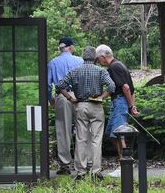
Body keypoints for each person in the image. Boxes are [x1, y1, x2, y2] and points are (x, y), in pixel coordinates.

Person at [57, 46, 115, 180]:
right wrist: (102, 96)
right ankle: (95, 171)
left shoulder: (75, 71)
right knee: (96, 140)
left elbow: (60, 85)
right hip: (96, 106)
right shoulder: (100, 71)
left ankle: (80, 172)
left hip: (81, 105)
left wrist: (70, 98)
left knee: (81, 139)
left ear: (83, 57)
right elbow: (111, 86)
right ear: (95, 57)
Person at [95, 44, 139, 177]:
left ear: (103, 57)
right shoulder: (120, 65)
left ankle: (125, 166)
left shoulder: (113, 67)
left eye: (98, 60)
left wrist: (131, 107)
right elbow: (129, 89)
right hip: (120, 101)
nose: (98, 62)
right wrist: (101, 97)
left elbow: (125, 87)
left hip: (120, 102)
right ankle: (123, 161)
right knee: (111, 134)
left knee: (119, 134)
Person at [47, 36, 83, 175]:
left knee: (63, 130)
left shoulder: (53, 62)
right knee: (82, 129)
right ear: (70, 47)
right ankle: (83, 163)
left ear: (60, 48)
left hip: (62, 96)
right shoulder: (79, 60)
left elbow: (48, 84)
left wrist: (51, 99)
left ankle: (65, 165)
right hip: (79, 96)